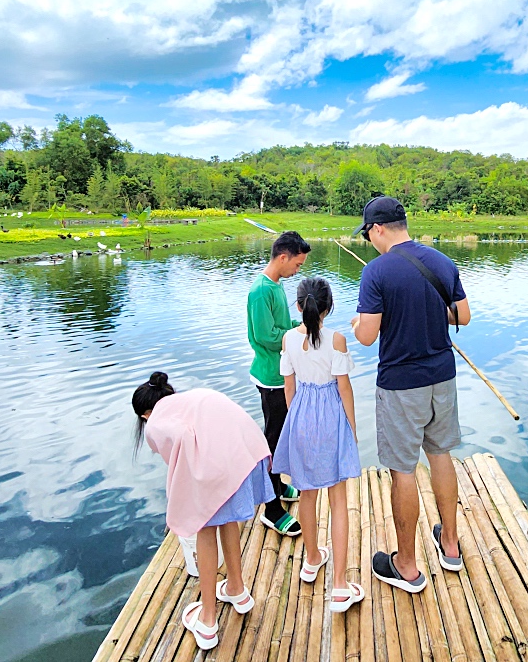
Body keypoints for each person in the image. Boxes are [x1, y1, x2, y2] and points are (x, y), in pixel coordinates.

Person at [349, 196, 472, 593]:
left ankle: (406, 566)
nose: (369, 242)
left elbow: (367, 337)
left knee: (403, 470)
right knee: (441, 456)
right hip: (443, 379)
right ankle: (449, 545)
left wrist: (357, 323)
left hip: (401, 386)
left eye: (368, 235)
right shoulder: (441, 261)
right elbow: (462, 316)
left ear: (378, 229)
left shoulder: (376, 272)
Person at [132, 372, 272, 650]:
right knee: (227, 519)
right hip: (248, 452)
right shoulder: (187, 400)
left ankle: (208, 621)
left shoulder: (156, 423)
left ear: (145, 414)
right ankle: (237, 590)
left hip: (220, 463)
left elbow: (181, 453)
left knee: (205, 530)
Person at [271, 277, 365, 613]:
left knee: (307, 494)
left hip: (301, 417)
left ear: (298, 306)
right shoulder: (337, 339)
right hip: (330, 418)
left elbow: (288, 388)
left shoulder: (287, 339)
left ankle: (311, 559)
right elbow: (344, 389)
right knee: (338, 500)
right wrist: (351, 431)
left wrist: (294, 424)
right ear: (329, 307)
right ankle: (339, 585)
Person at [246, 230, 312, 536]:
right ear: (283, 257)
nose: (298, 270)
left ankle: (279, 484)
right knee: (273, 438)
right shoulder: (260, 291)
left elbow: (281, 327)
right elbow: (265, 336)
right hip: (271, 377)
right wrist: (295, 336)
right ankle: (271, 509)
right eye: (297, 265)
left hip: (282, 372)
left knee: (282, 433)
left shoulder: (277, 285)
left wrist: (301, 328)